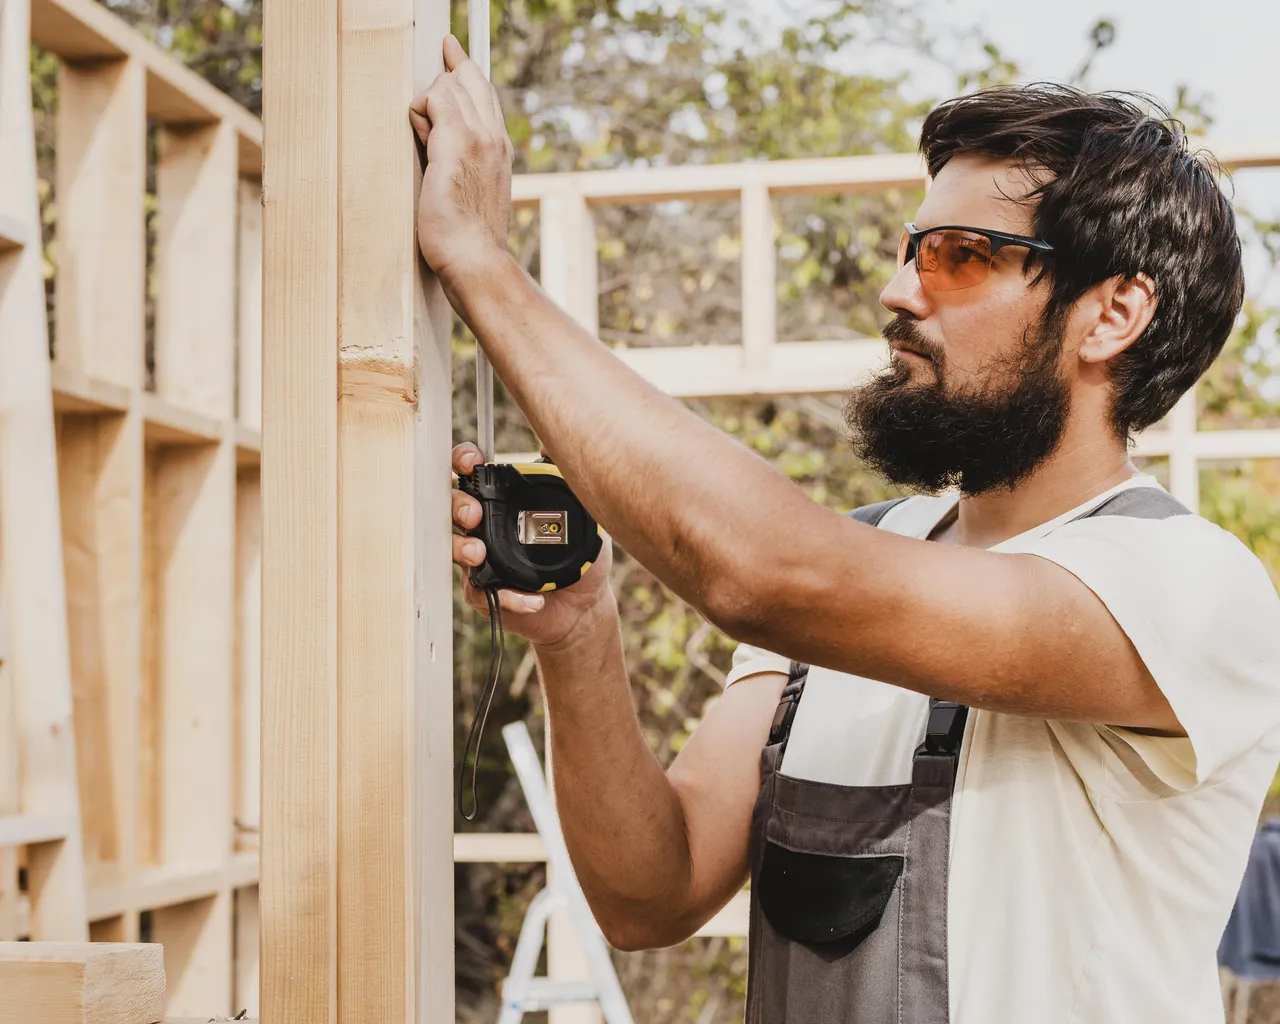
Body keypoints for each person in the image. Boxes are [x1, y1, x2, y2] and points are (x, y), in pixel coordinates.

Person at [411, 34, 1280, 1023]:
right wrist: (578, 631)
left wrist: (481, 261)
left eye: (959, 257)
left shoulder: (1185, 584)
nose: (898, 290)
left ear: (1111, 313)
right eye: (912, 248)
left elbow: (767, 573)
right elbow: (651, 892)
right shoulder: (867, 555)